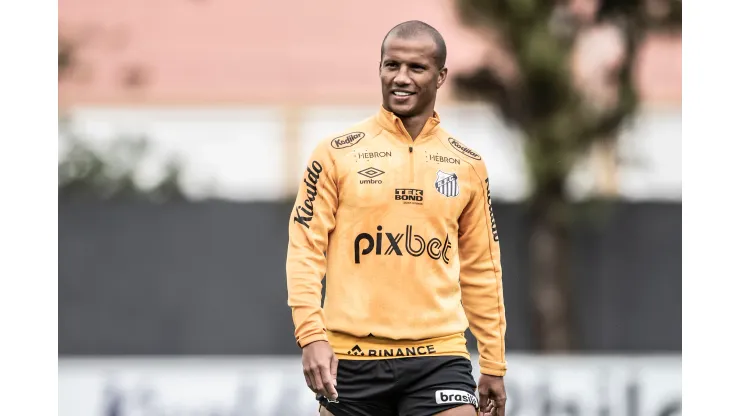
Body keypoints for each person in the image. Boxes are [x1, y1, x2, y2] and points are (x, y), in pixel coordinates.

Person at [286, 20, 508, 416]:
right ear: (380, 68)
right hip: (351, 358)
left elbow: (482, 269)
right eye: (392, 65)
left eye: (416, 68)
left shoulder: (467, 164)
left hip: (438, 354)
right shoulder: (335, 153)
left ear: (440, 76)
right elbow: (305, 251)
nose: (400, 78)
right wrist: (311, 336)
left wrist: (493, 361)